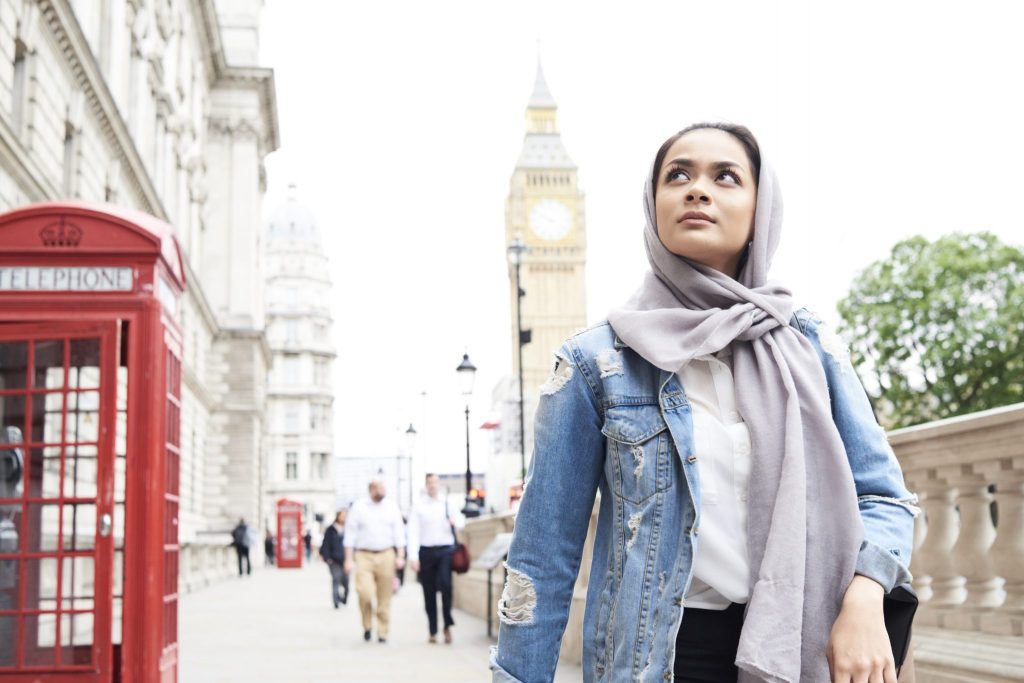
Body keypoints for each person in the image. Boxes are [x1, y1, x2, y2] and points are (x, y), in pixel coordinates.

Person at [490, 123, 919, 683]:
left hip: (804, 650)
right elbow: (543, 561)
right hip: (658, 660)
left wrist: (865, 598)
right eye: (678, 176)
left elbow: (885, 498)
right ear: (654, 203)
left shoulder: (808, 346)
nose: (698, 190)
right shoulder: (596, 363)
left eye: (725, 177)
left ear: (759, 209)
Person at [343, 480, 406, 643]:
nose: (383, 491)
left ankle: (383, 631)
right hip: (364, 555)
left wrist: (400, 555)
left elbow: (399, 532)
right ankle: (367, 625)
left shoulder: (391, 507)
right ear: (371, 489)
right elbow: (350, 534)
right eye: (380, 488)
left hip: (386, 553)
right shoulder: (358, 507)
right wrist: (348, 559)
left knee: (384, 596)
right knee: (364, 593)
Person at [408, 473, 464, 644]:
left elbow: (462, 521)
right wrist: (413, 556)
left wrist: (455, 521)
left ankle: (447, 625)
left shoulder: (448, 503)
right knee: (428, 591)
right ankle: (432, 629)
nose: (432, 485)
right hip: (426, 552)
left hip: (445, 551)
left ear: (438, 484)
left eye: (435, 482)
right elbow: (413, 532)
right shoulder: (418, 506)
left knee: (446, 587)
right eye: (429, 483)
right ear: (426, 485)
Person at [320, 509, 350, 608]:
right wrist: (326, 558)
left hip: (346, 560)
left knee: (346, 582)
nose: (344, 518)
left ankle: (344, 598)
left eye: (345, 516)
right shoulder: (331, 529)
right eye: (342, 516)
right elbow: (325, 544)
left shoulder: (349, 529)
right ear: (338, 516)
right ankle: (336, 601)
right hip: (333, 560)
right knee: (336, 579)